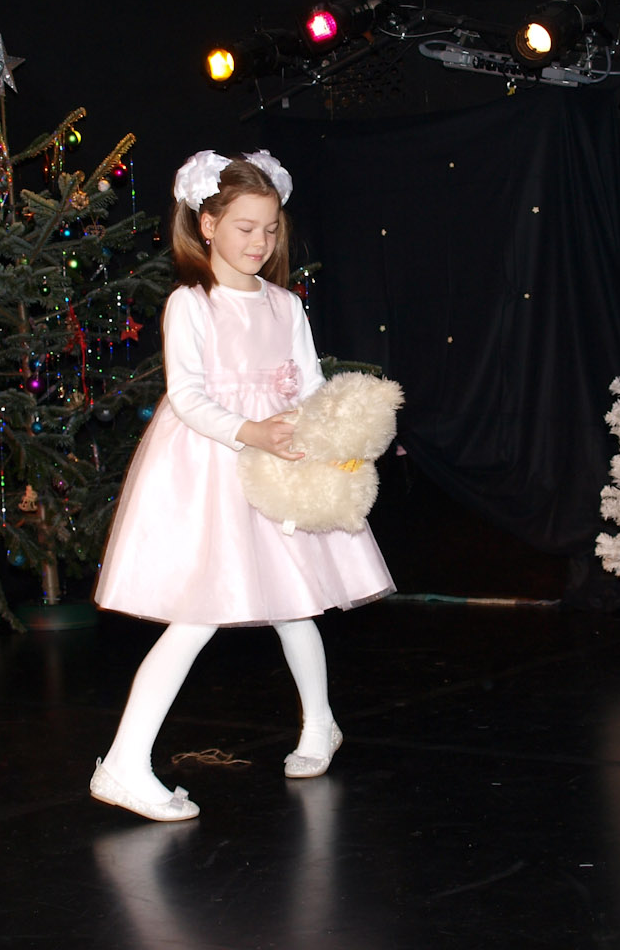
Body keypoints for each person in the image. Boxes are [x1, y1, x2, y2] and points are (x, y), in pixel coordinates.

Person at [90, 149, 394, 821]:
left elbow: (310, 386)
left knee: (295, 601)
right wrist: (251, 431)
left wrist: (318, 438)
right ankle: (123, 764)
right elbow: (188, 397)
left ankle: (320, 723)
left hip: (279, 468)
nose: (260, 242)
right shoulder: (191, 303)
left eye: (270, 228)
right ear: (207, 226)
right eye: (245, 227)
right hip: (213, 468)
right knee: (199, 613)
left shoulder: (285, 305)